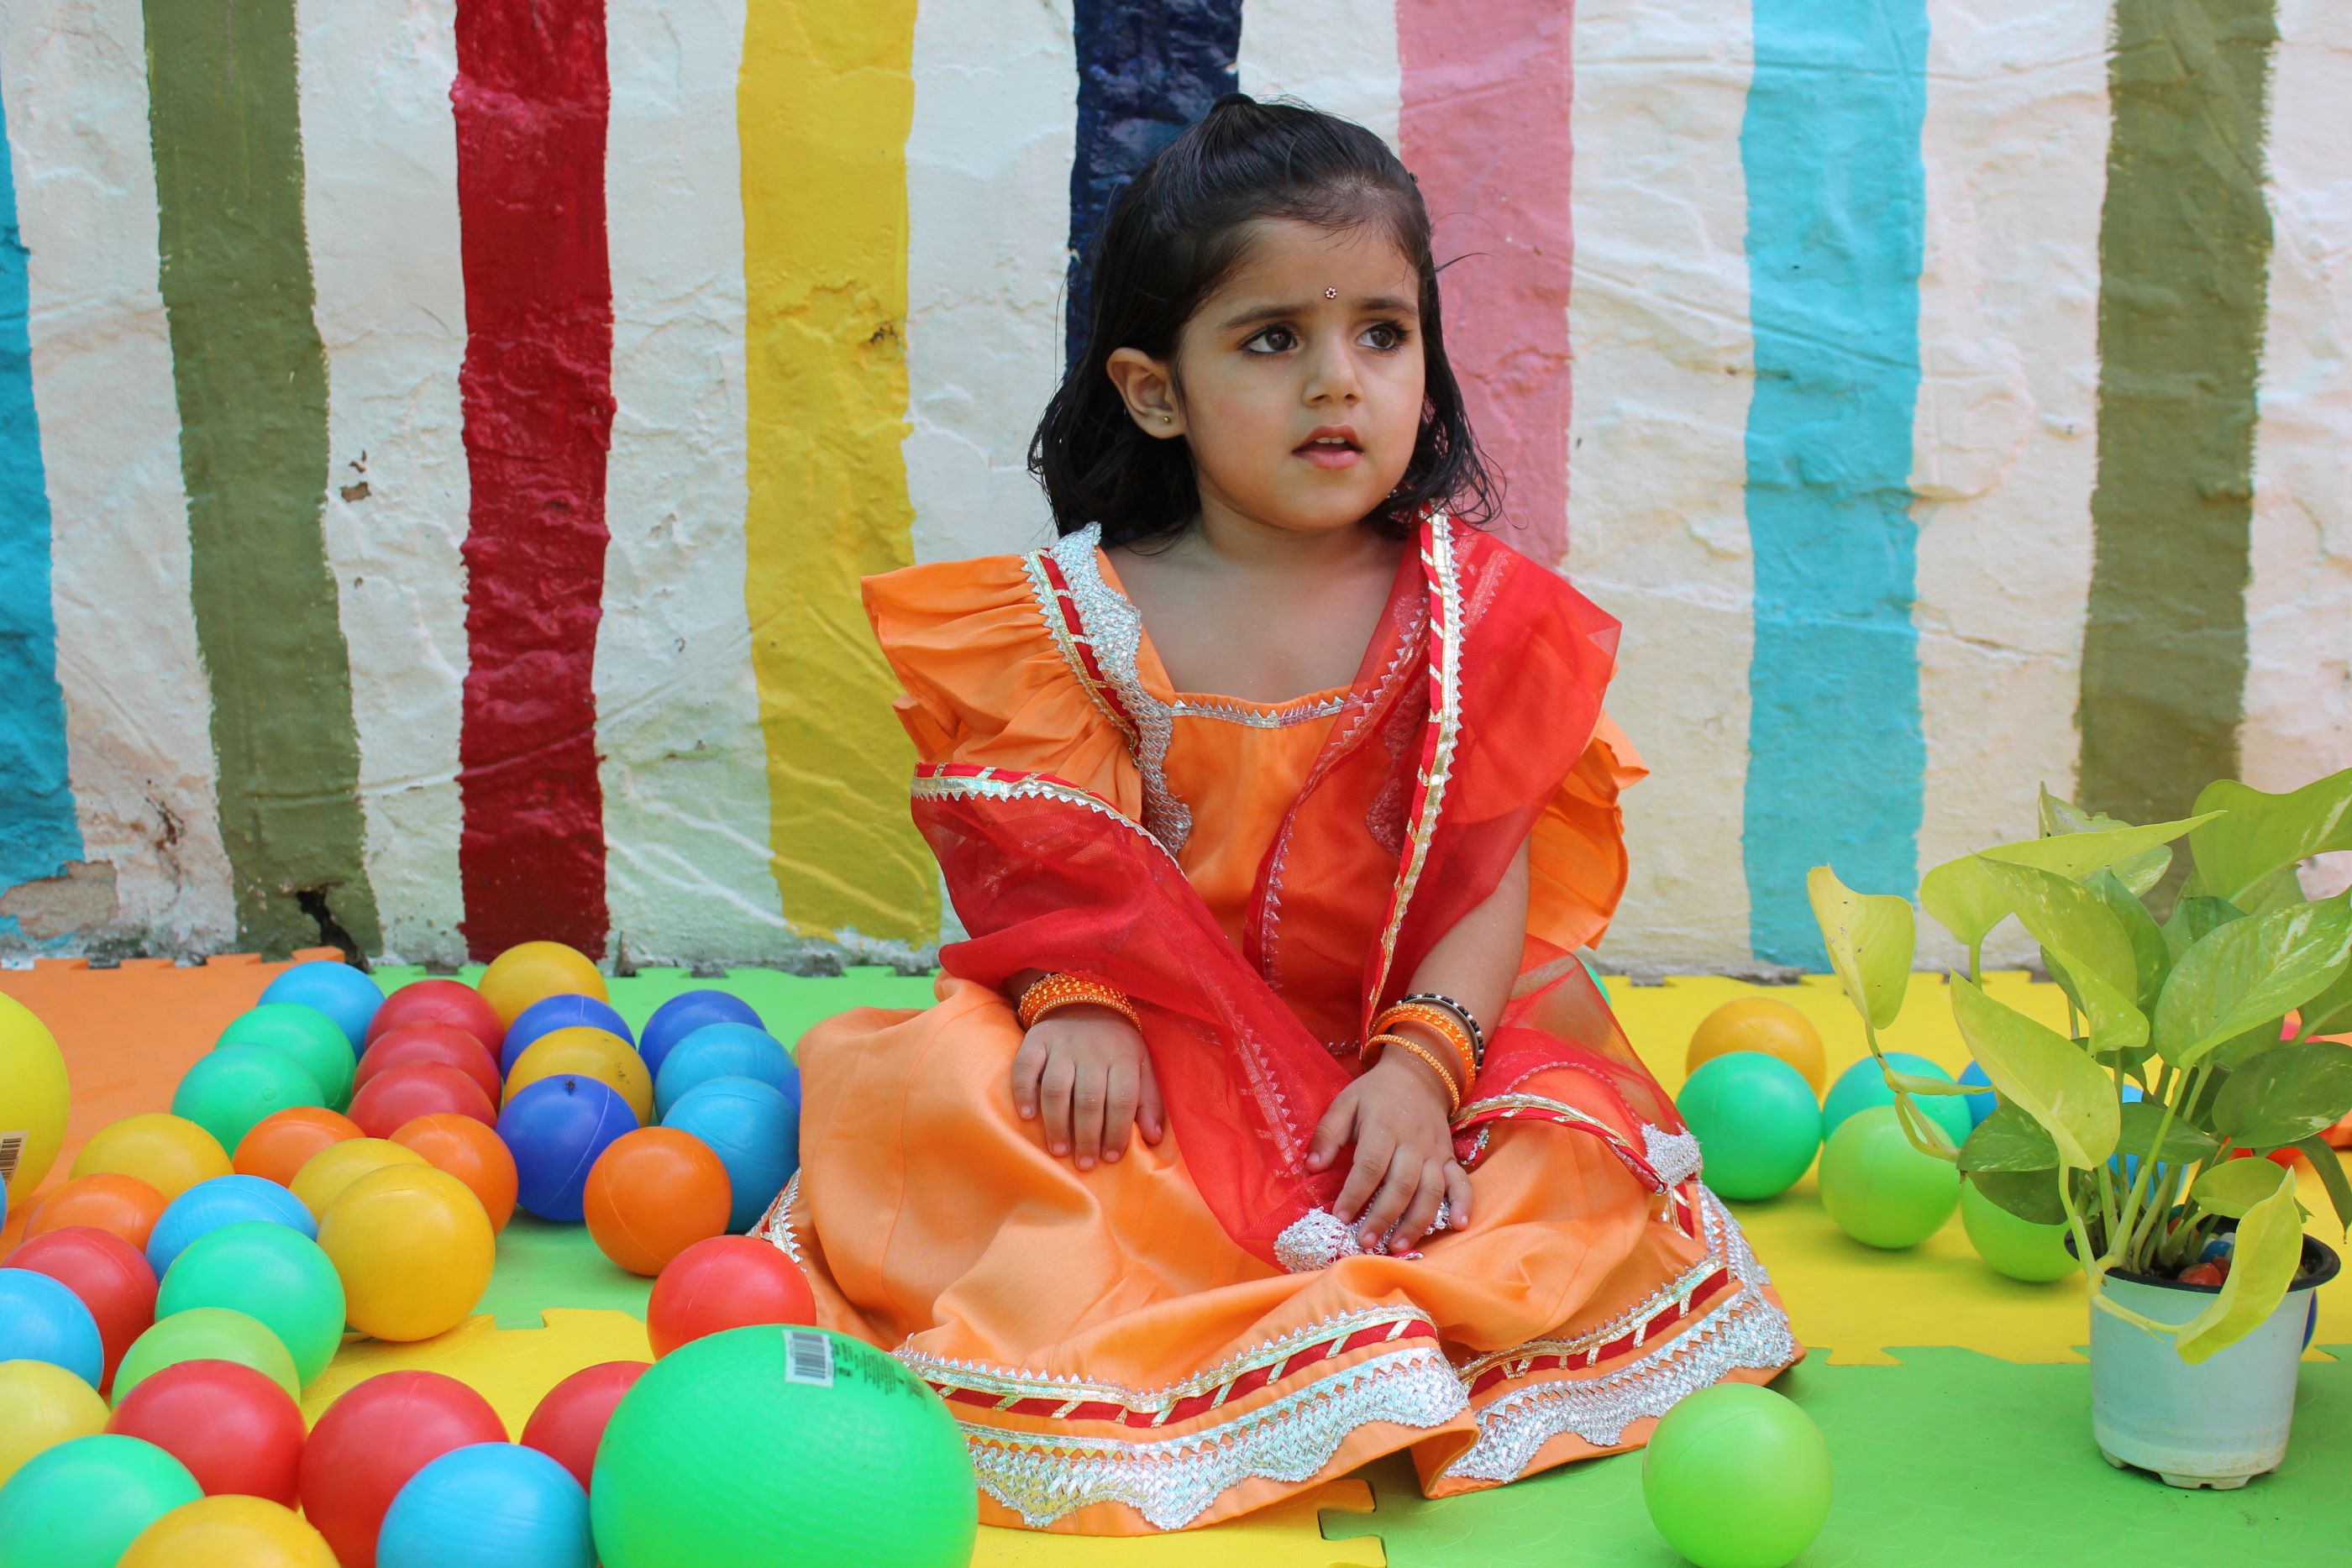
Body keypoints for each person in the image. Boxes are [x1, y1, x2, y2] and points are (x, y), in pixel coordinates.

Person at [756, 92, 1798, 1535]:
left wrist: (1427, 1070)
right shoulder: (1082, 618)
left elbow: (1488, 881)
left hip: (1402, 1044)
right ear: (1154, 388)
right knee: (949, 1088)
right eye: (1272, 341)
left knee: (1567, 1156)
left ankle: (1370, 1271)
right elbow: (1049, 860)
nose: (1339, 384)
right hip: (1161, 1055)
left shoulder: (1461, 618)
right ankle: (1200, 1320)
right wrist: (1075, 1004)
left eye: (1382, 332)